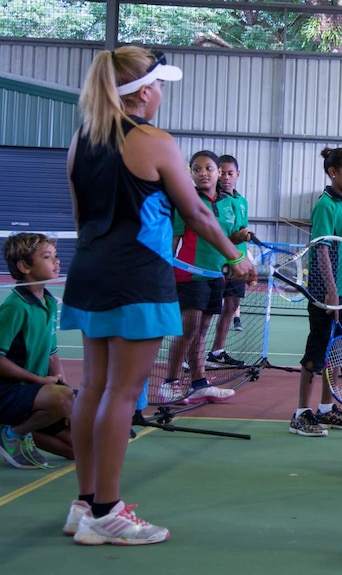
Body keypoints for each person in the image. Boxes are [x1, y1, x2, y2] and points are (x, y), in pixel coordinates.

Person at [59, 46, 254, 545]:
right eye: (160, 84)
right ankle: (107, 511)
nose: (162, 92)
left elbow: (82, 219)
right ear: (145, 92)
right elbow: (198, 214)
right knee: (122, 394)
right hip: (137, 280)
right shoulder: (153, 141)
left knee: (95, 388)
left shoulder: (82, 140)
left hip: (90, 275)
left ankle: (85, 505)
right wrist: (236, 257)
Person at [290, 147, 342, 437]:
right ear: (333, 173)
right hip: (325, 293)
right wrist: (331, 293)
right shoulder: (326, 205)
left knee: (337, 353)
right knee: (317, 350)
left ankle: (325, 408)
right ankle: (301, 413)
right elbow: (321, 250)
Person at [165, 150, 245, 404]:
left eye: (208, 168)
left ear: (219, 172)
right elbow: (174, 238)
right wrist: (166, 270)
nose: (203, 173)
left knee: (201, 332)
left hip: (215, 276)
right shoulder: (186, 201)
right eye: (196, 169)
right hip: (190, 275)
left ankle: (199, 383)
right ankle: (170, 382)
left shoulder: (228, 204)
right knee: (188, 330)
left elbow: (226, 241)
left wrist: (239, 239)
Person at [0, 233, 74, 469]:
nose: (57, 261)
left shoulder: (49, 302)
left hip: (34, 394)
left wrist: (62, 383)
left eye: (55, 256)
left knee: (78, 449)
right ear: (24, 266)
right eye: (47, 256)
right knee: (63, 400)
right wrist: (41, 381)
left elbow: (52, 352)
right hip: (8, 392)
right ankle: (12, 433)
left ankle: (18, 432)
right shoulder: (14, 306)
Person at [207, 154, 252, 366]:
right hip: (215, 264)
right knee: (206, 312)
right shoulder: (211, 201)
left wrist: (244, 240)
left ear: (238, 175)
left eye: (230, 173)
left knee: (231, 305)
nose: (225, 177)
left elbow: (239, 231)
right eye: (222, 172)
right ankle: (192, 356)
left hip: (238, 265)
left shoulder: (242, 202)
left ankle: (217, 351)